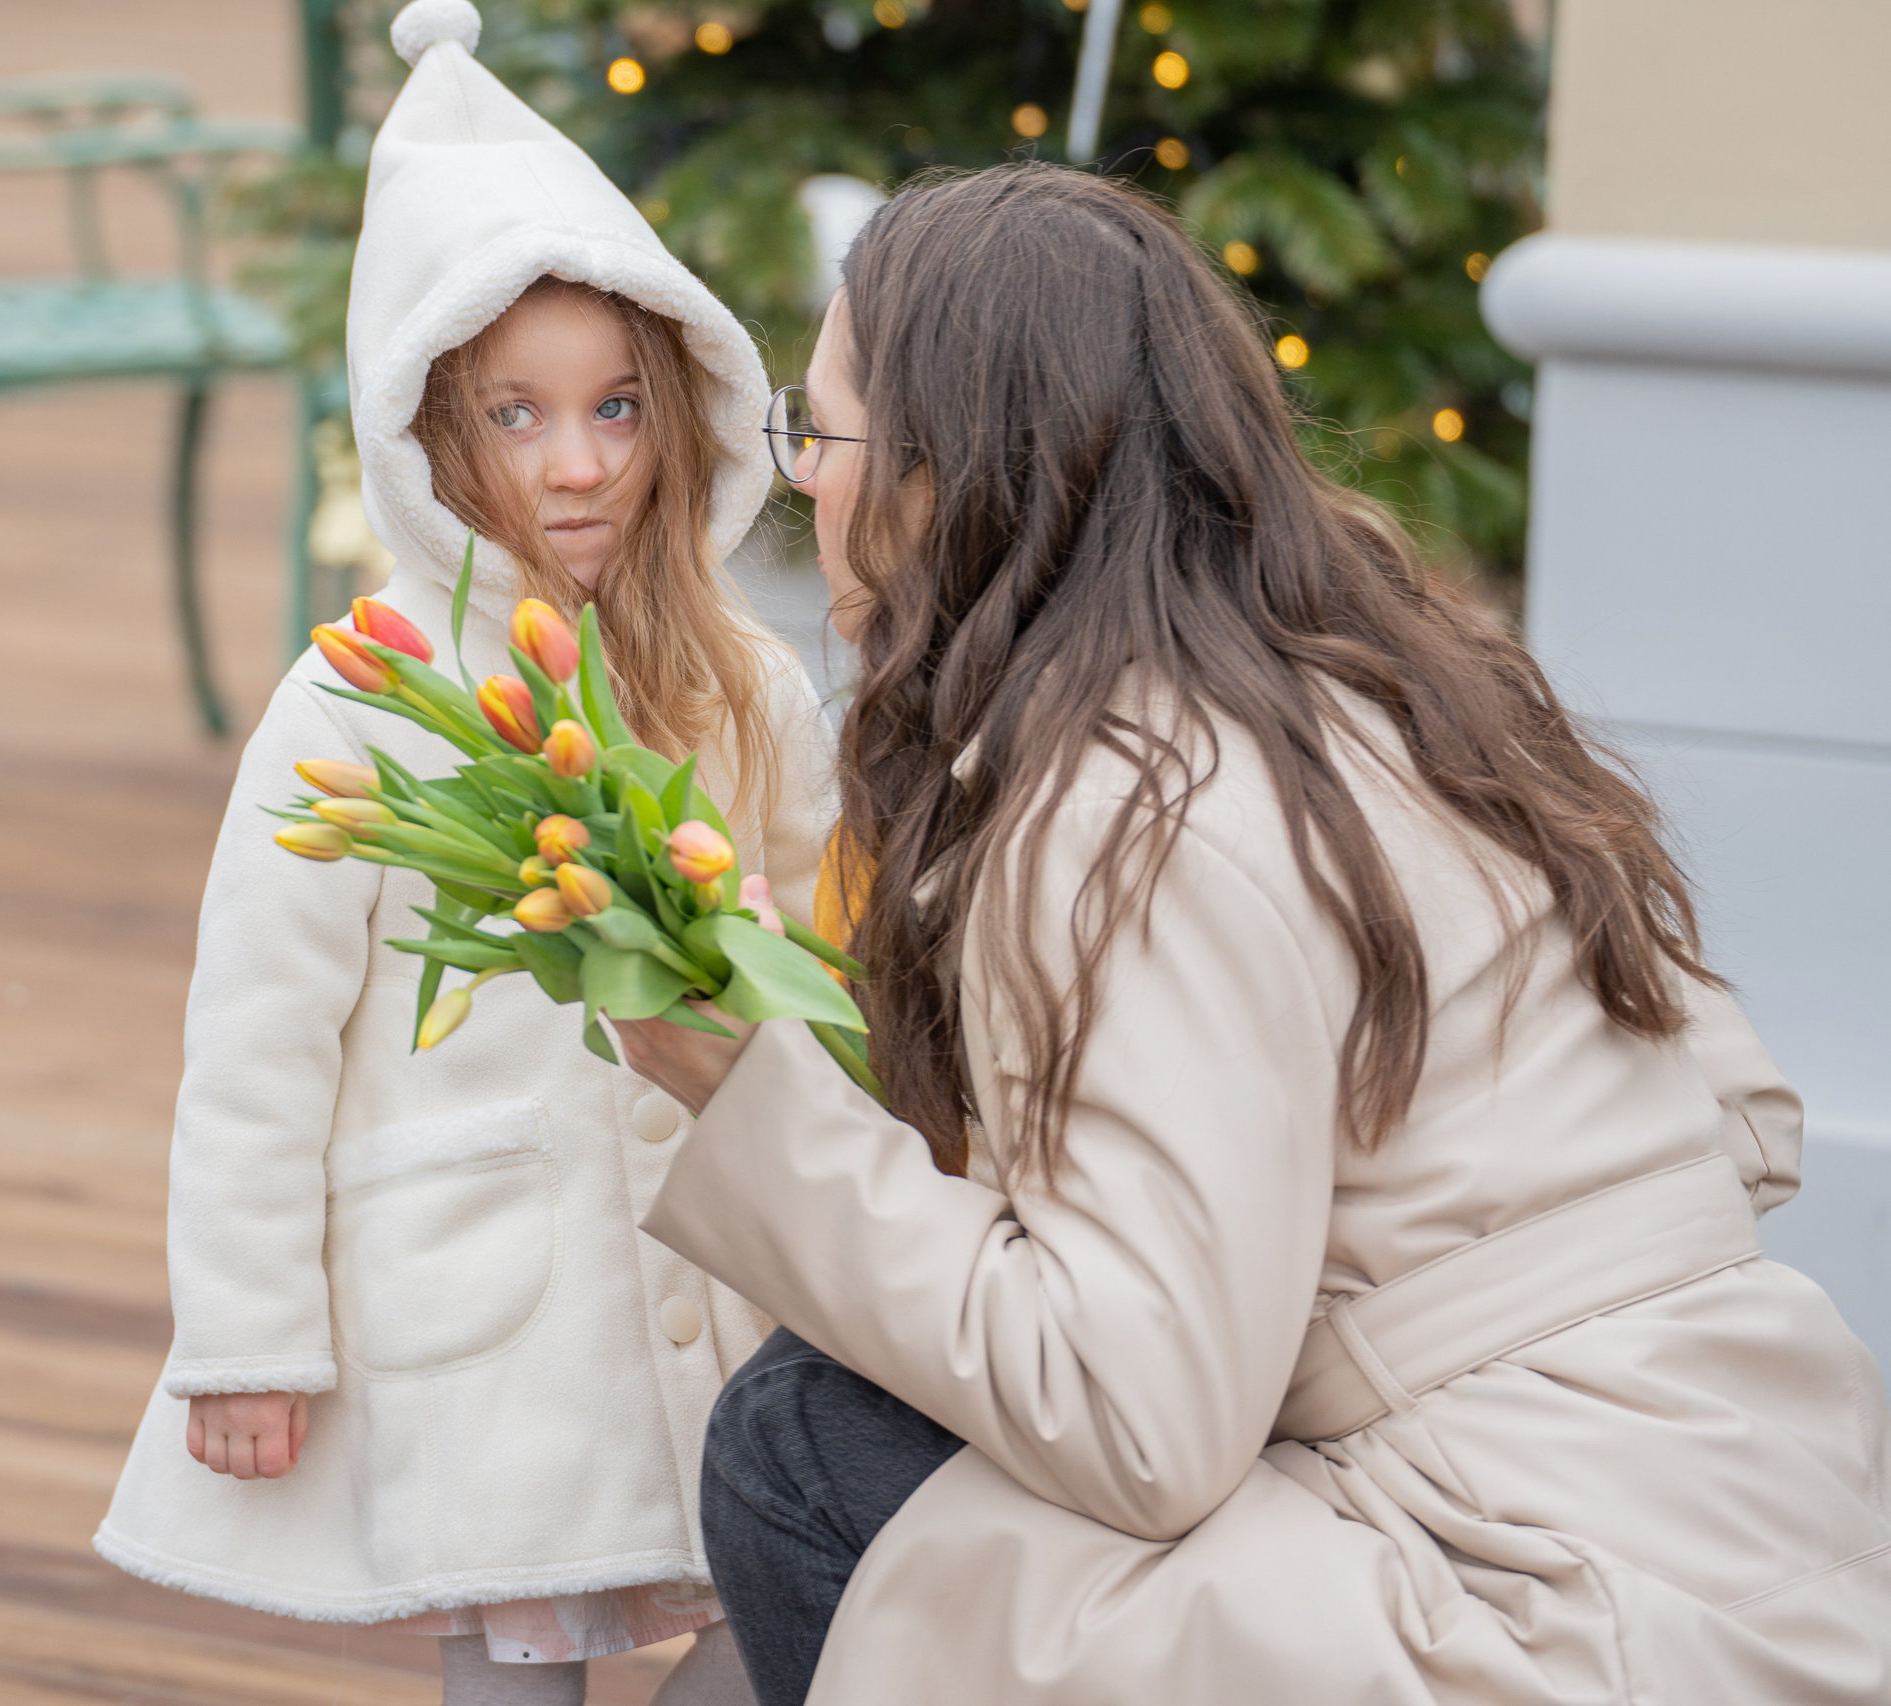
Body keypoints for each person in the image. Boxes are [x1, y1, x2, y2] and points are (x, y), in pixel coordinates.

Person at [615, 164, 1891, 1706]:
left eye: (820, 434)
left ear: (951, 473)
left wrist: (756, 1092)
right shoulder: (1388, 679)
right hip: (1759, 1518)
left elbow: (1146, 1421)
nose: (804, 479)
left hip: (1540, 1600)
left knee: (806, 1438)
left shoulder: (1126, 800)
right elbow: (1738, 1115)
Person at [94, 4, 833, 1702]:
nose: (578, 465)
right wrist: (248, 1329)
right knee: (515, 1642)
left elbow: (814, 936)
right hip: (495, 1305)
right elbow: (259, 1041)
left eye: (620, 408)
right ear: (433, 426)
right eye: (518, 415)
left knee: (780, 1602)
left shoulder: (736, 677)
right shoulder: (359, 700)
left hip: (726, 1275)